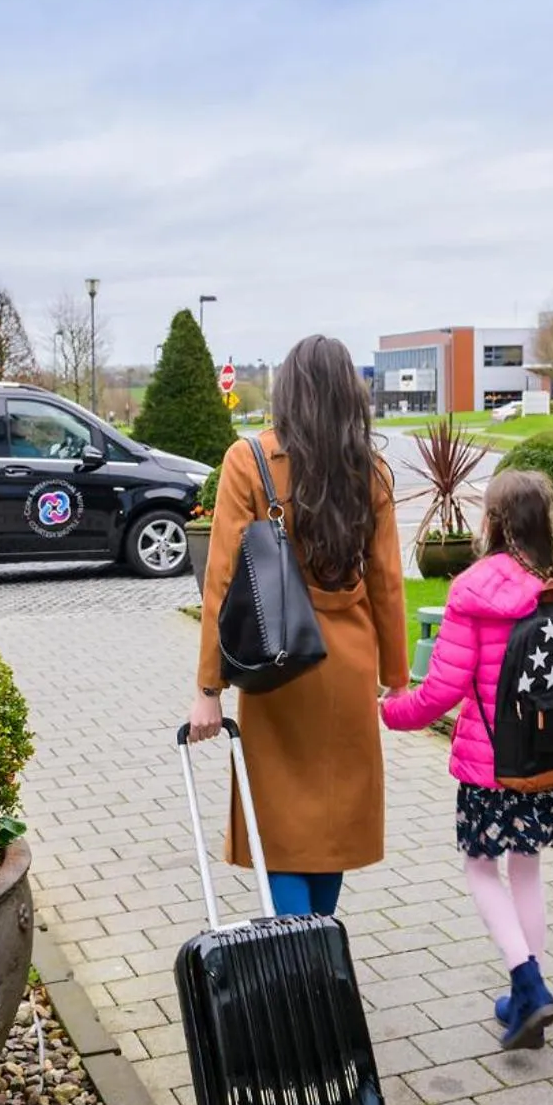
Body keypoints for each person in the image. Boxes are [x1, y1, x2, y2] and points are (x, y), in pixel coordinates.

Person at [189, 334, 410, 917]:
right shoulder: (373, 471)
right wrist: (397, 673)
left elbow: (222, 580)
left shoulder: (250, 460)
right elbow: (387, 579)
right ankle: (318, 944)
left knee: (281, 825)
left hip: (277, 663)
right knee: (332, 820)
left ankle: (302, 966)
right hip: (349, 664)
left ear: (287, 391)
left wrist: (208, 689)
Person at [379, 470, 553, 1050]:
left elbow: (441, 692)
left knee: (481, 867)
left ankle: (528, 985)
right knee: (527, 868)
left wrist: (390, 710)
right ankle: (531, 990)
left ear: (494, 522)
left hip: (490, 764)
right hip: (546, 758)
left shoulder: (472, 589)